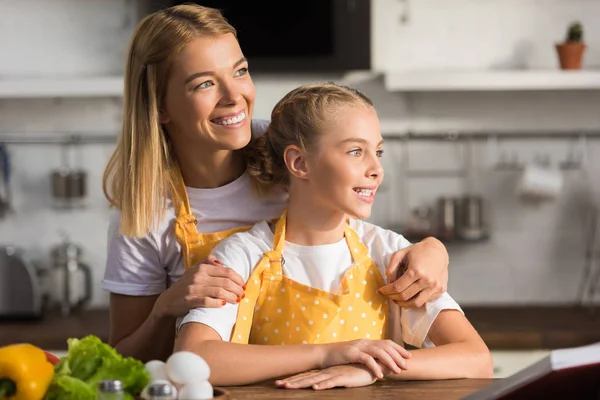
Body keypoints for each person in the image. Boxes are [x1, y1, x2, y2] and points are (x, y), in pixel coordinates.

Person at [101, 4, 451, 363]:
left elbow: (359, 233)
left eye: (240, 71)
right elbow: (123, 360)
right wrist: (164, 309)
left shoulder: (289, 150)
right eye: (204, 83)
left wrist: (433, 250)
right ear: (159, 105)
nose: (233, 96)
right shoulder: (145, 210)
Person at [174, 83, 493, 389]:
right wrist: (326, 355)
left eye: (378, 152)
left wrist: (372, 367)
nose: (376, 169)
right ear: (300, 163)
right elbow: (193, 358)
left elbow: (476, 358)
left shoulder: (388, 252)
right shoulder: (245, 255)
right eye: (356, 151)